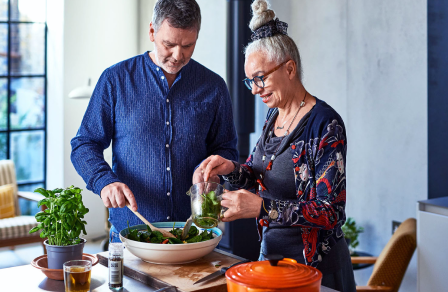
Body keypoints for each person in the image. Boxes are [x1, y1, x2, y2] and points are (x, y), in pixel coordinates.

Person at [197, 0, 355, 290]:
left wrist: (262, 208)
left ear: (290, 68)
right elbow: (260, 173)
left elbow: (331, 212)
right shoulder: (273, 116)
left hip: (315, 270)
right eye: (250, 82)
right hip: (271, 260)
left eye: (260, 78)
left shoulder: (325, 125)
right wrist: (231, 169)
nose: (255, 89)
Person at [70, 0, 238, 243]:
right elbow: (84, 143)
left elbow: (226, 149)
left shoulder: (214, 87)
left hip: (193, 235)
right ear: (152, 32)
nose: (178, 55)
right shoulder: (115, 80)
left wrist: (214, 172)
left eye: (188, 45)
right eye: (168, 44)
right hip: (131, 234)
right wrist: (104, 181)